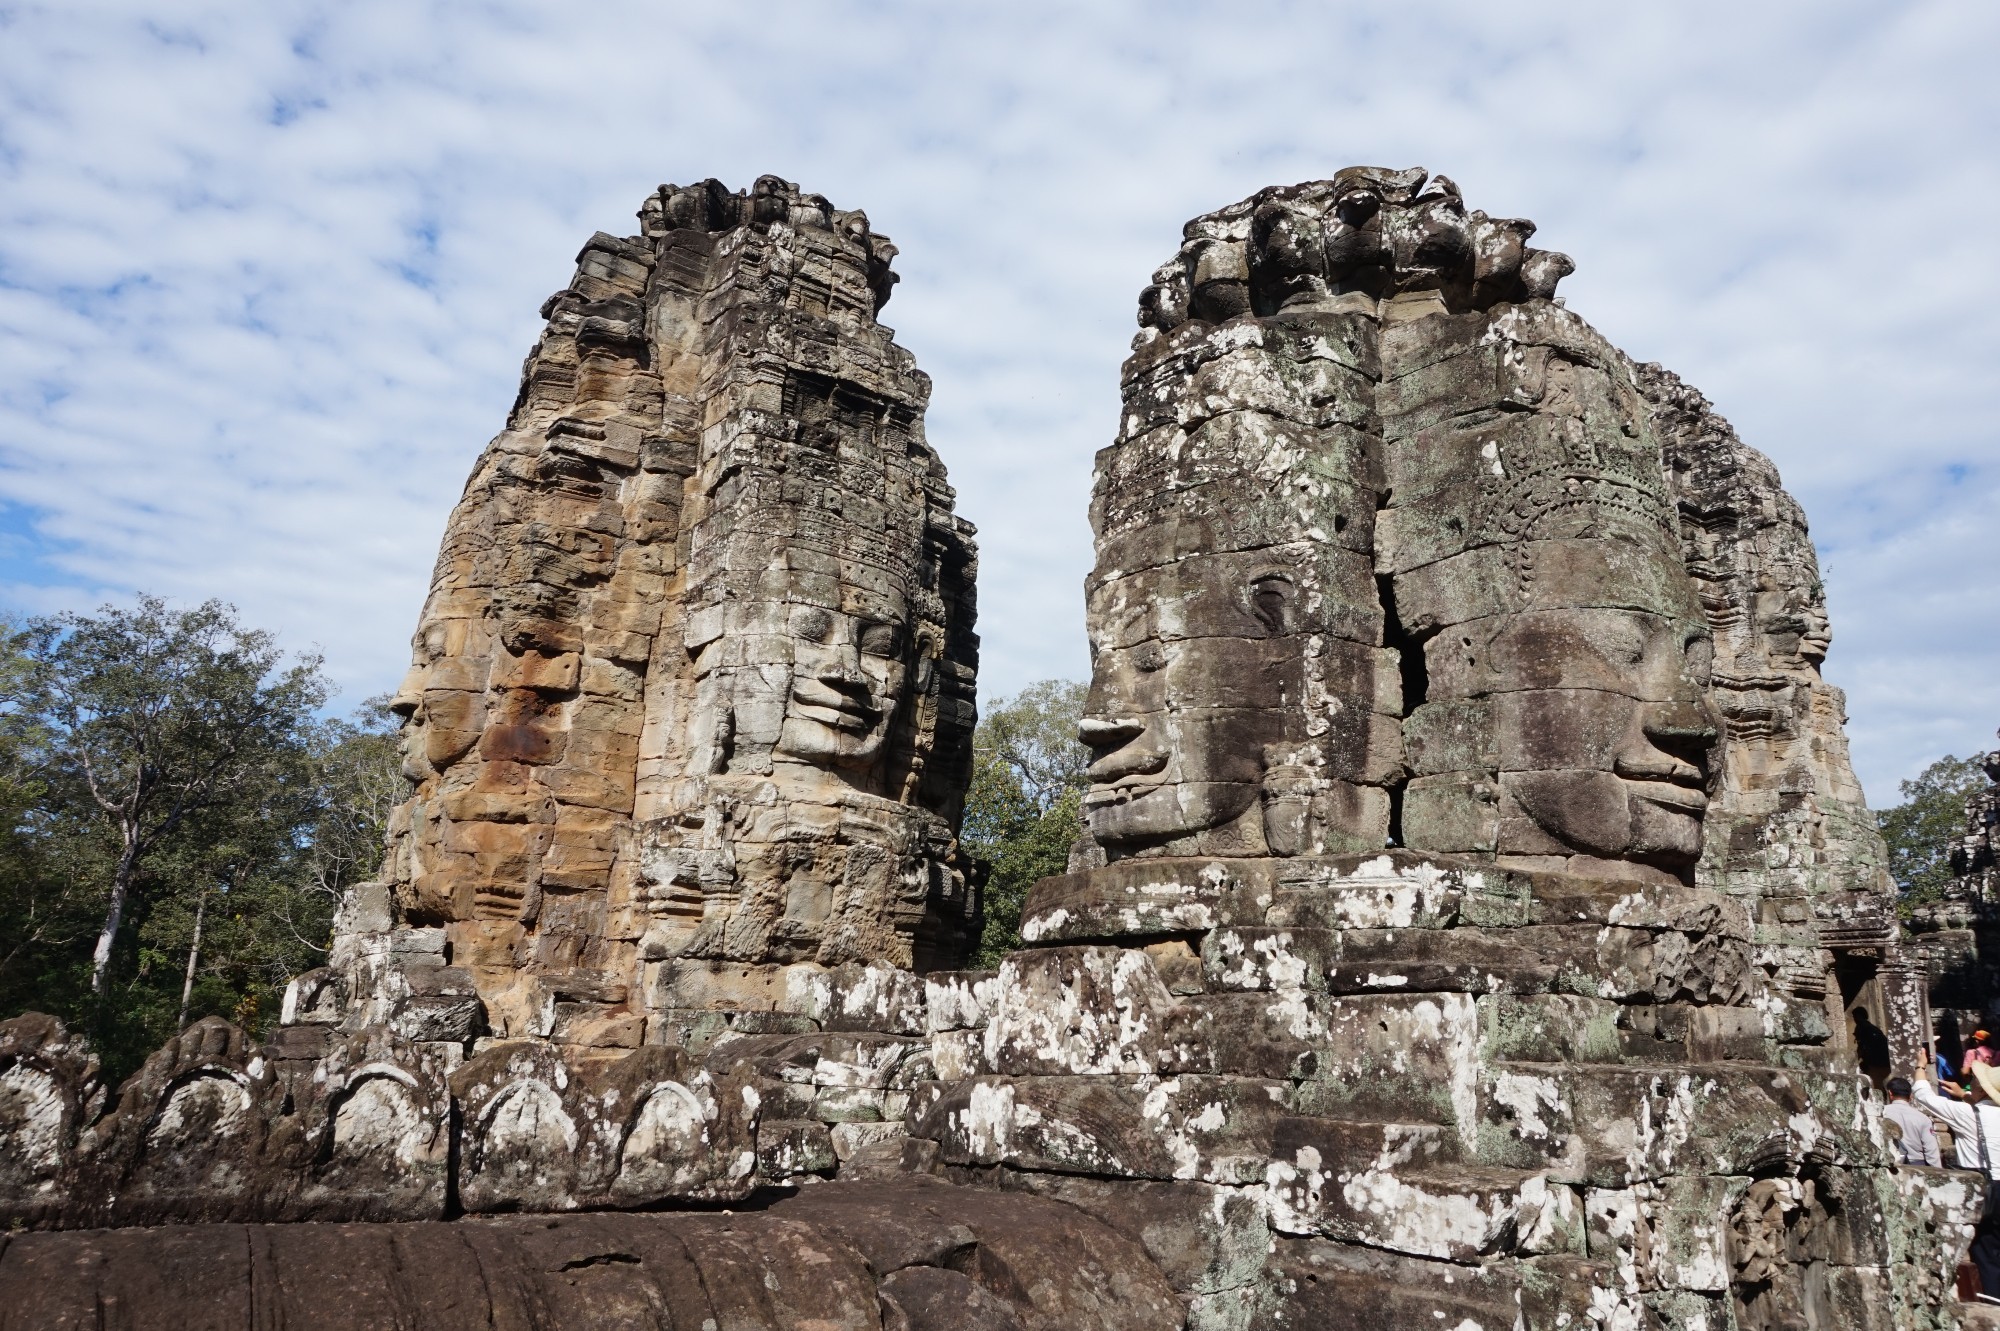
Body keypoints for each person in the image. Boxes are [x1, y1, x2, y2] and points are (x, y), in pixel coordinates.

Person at [1915, 1062, 2000, 1302]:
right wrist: (1965, 1096)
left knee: (1986, 1251)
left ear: (1983, 1091)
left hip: (1987, 1188)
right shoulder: (1975, 1109)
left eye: (1976, 1082)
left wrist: (1920, 1066)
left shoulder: (1967, 1114)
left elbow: (1922, 1095)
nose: (1971, 1083)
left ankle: (1994, 1304)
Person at [1883, 1076, 1942, 1167]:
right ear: (1911, 1096)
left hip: (1889, 1164)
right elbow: (1931, 1151)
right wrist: (1938, 1172)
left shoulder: (1881, 1113)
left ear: (1890, 1093)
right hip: (1918, 1165)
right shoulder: (1923, 1118)